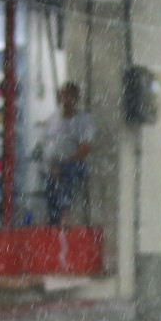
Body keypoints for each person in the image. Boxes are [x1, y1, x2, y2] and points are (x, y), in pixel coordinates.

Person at [36, 83, 94, 226]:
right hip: (53, 164)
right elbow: (45, 142)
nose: (67, 99)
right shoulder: (53, 119)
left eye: (71, 96)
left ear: (77, 99)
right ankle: (52, 216)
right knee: (49, 178)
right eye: (64, 95)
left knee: (67, 173)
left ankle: (65, 214)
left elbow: (85, 149)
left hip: (75, 164)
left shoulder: (83, 121)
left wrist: (63, 163)